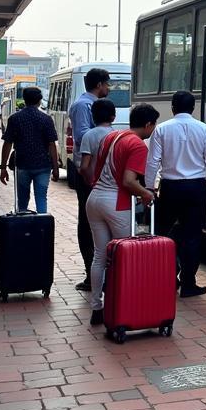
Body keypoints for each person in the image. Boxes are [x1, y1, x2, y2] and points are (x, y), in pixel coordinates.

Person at [145, 90, 206, 298]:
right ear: (193, 108)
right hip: (196, 189)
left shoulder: (162, 130)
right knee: (192, 237)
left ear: (173, 108)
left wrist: (149, 188)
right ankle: (189, 283)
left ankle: (168, 276)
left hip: (170, 188)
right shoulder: (203, 129)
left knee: (163, 234)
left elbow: (152, 161)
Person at [85, 103, 159, 327]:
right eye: (153, 125)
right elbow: (128, 181)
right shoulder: (138, 145)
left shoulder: (113, 136)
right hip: (116, 203)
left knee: (100, 255)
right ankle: (124, 307)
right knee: (125, 256)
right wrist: (147, 194)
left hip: (95, 198)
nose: (153, 130)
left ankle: (97, 307)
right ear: (148, 124)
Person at [69, 67, 112, 291]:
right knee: (87, 223)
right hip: (88, 175)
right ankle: (91, 273)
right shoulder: (82, 106)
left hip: (102, 174)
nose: (109, 88)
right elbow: (81, 136)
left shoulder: (91, 106)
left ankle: (105, 274)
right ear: (98, 85)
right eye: (107, 84)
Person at [0, 87, 60, 213]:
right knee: (41, 198)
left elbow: (7, 144)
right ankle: (42, 229)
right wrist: (56, 168)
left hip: (22, 165)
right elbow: (52, 145)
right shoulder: (46, 119)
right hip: (43, 165)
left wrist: (3, 167)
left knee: (22, 200)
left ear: (24, 100)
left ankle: (23, 228)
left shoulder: (14, 118)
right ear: (40, 100)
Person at [78, 98, 117, 187]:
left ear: (93, 116)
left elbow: (84, 167)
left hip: (94, 184)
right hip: (112, 185)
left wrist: (89, 181)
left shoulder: (88, 136)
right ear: (113, 118)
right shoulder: (116, 136)